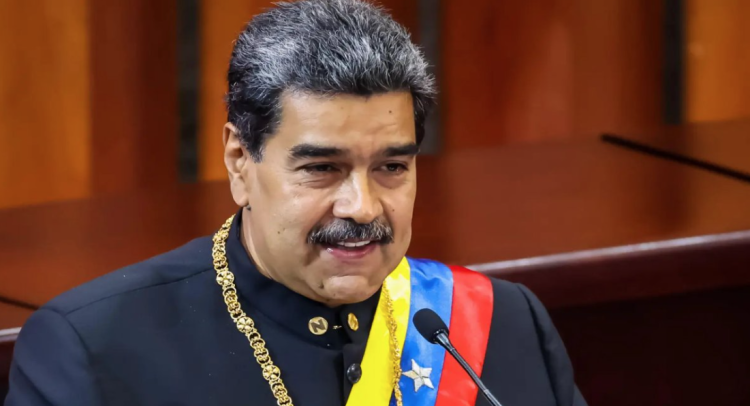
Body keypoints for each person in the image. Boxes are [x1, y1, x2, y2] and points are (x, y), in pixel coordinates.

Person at [6, 1, 587, 405]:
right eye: (321, 169)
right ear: (240, 160)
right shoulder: (95, 348)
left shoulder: (500, 323)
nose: (362, 207)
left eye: (391, 167)